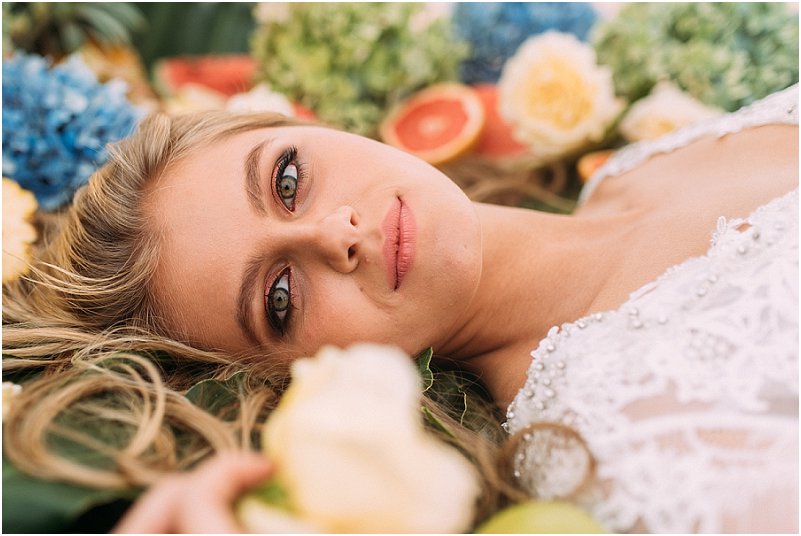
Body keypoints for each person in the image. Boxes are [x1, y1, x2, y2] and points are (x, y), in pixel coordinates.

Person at [3, 85, 797, 533]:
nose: (334, 234)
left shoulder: (635, 164)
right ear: (291, 378)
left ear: (308, 124)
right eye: (279, 298)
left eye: (286, 179)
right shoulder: (611, 442)